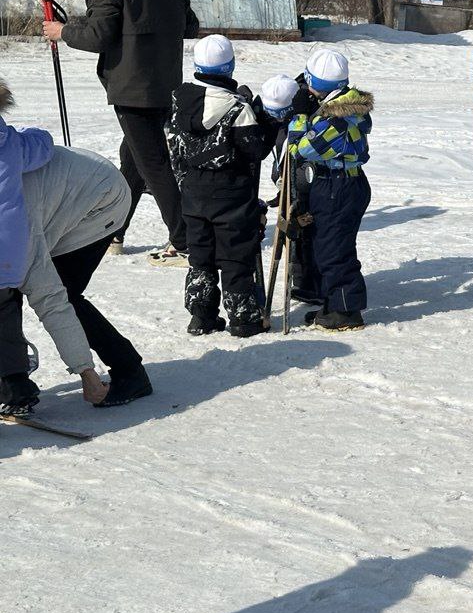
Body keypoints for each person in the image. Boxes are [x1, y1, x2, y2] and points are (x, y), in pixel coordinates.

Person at [41, 0, 200, 266]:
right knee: (134, 159)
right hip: (166, 86)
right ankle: (115, 230)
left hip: (132, 90)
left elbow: (100, 36)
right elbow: (189, 25)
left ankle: (185, 239)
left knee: (154, 163)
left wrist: (62, 32)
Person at [14, 145, 153, 410]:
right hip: (67, 186)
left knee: (64, 290)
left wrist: (85, 371)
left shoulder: (17, 223)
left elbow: (51, 299)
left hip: (102, 198)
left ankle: (129, 371)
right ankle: (12, 377)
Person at [169, 36, 278, 338]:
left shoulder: (180, 101)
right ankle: (243, 319)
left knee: (200, 255)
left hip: (193, 192)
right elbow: (254, 151)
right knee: (234, 256)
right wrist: (267, 123)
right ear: (229, 66)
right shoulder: (237, 109)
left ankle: (201, 316)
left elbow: (175, 146)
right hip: (231, 195)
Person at [284, 49, 373, 331]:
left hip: (338, 185)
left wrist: (299, 117)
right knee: (328, 244)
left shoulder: (336, 119)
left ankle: (346, 310)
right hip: (343, 182)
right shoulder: (343, 106)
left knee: (334, 249)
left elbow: (300, 149)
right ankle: (334, 301)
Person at [0, 83, 54, 415]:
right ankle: (17, 386)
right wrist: (28, 132)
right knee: (5, 317)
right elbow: (43, 144)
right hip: (7, 258)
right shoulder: (13, 144)